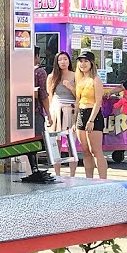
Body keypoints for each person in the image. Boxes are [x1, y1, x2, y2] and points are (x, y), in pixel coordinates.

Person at [74, 50, 108, 180]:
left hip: (93, 114)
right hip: (81, 114)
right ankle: (89, 179)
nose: (83, 64)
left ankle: (103, 180)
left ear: (92, 63)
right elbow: (77, 101)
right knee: (85, 151)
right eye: (81, 61)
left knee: (96, 151)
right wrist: (74, 120)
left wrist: (91, 120)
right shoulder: (80, 80)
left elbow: (98, 101)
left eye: (86, 61)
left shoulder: (96, 79)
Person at [46, 50, 78, 179]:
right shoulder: (51, 76)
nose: (63, 62)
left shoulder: (75, 75)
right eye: (60, 60)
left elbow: (79, 96)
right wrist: (49, 115)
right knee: (56, 142)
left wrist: (70, 87)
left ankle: (72, 174)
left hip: (70, 109)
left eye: (65, 59)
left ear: (69, 61)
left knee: (71, 142)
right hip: (56, 109)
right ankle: (57, 173)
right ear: (56, 62)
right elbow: (49, 96)